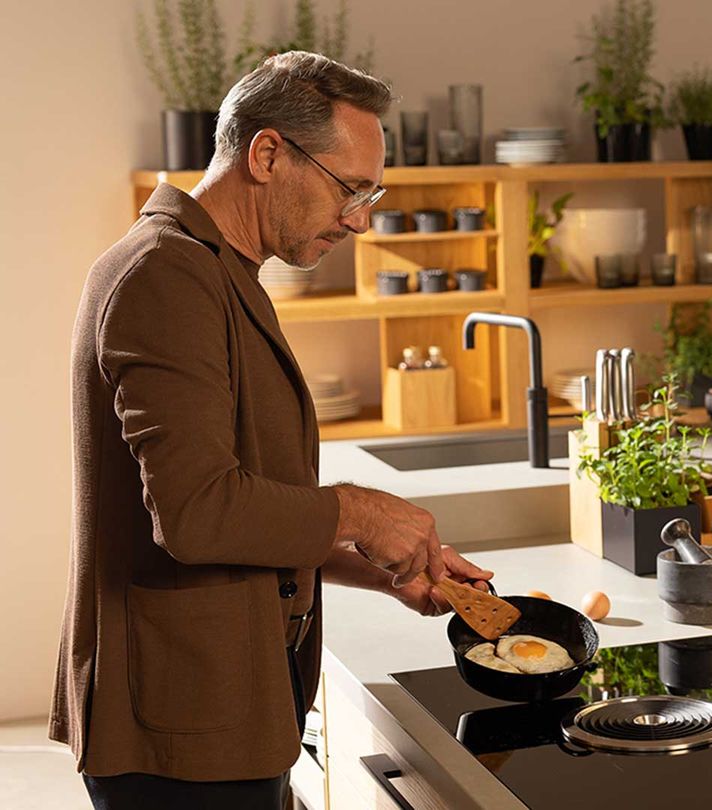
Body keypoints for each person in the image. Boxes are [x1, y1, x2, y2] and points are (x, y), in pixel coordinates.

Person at [53, 51, 491, 809]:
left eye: (372, 194)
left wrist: (388, 568)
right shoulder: (165, 275)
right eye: (350, 189)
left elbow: (243, 513)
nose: (360, 218)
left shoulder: (215, 271)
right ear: (266, 154)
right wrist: (362, 511)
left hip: (224, 706)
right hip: (179, 727)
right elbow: (197, 513)